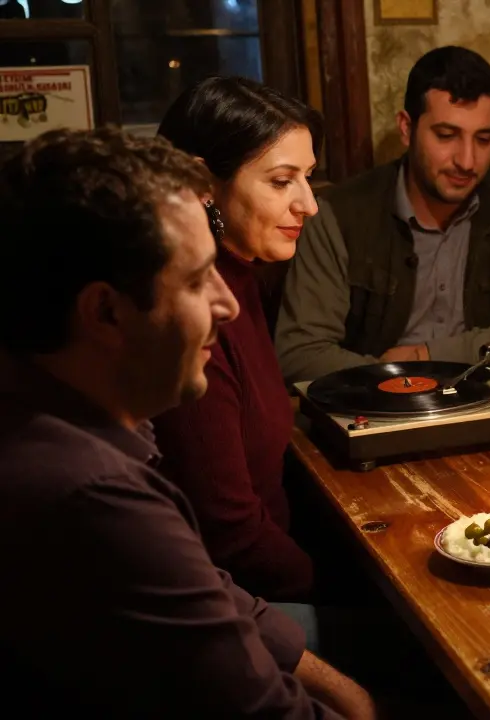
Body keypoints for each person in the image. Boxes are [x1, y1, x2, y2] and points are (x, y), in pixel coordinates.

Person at [0, 127, 373, 718]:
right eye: (198, 281)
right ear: (105, 311)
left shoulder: (74, 416)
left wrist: (345, 688)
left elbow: (212, 588)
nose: (226, 306)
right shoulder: (95, 497)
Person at [275, 45, 490, 382]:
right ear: (406, 128)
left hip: (484, 399)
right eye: (446, 136)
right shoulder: (338, 214)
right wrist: (395, 380)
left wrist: (426, 357)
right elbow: (299, 352)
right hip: (373, 410)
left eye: (484, 139)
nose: (467, 160)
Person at [150, 76, 322, 601]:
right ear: (204, 182)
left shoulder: (243, 273)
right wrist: (325, 589)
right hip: (238, 602)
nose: (308, 204)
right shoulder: (190, 304)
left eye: (309, 177)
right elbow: (228, 534)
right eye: (281, 181)